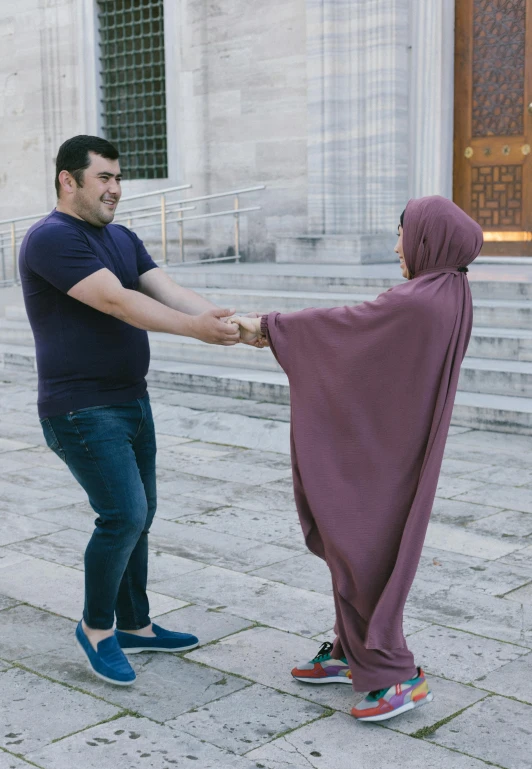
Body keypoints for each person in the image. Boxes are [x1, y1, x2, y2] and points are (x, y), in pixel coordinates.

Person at [234, 196, 483, 722]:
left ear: (427, 239)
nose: (396, 247)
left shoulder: (420, 299)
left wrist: (269, 325)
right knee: (357, 539)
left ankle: (396, 674)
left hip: (386, 451)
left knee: (365, 543)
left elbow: (350, 325)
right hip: (390, 440)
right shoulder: (448, 289)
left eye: (402, 234)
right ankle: (351, 651)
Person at [19, 135, 245, 686]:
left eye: (119, 178)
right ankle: (97, 628)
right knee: (122, 514)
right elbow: (119, 300)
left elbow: (164, 289)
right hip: (80, 408)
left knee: (140, 517)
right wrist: (196, 331)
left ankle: (136, 626)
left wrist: (227, 322)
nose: (117, 189)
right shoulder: (49, 240)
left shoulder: (122, 238)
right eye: (104, 178)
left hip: (130, 401)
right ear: (67, 180)